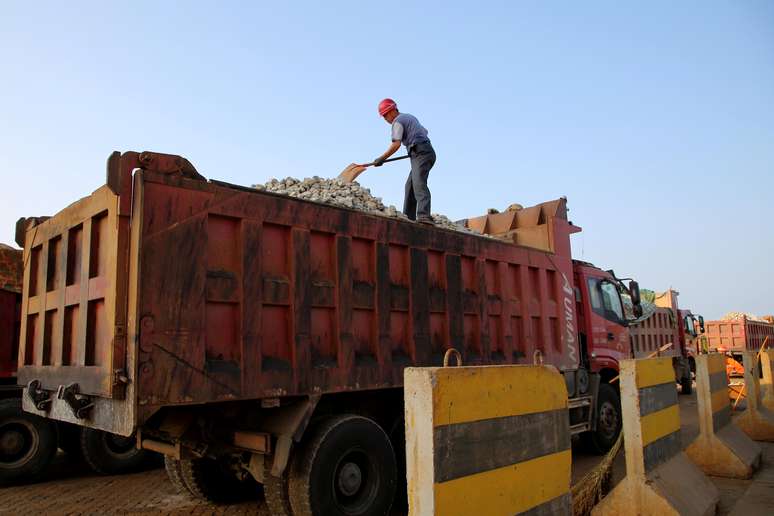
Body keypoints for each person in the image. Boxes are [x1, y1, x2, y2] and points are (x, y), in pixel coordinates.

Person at [373, 98, 436, 224]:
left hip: (421, 153)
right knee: (410, 186)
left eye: (385, 116)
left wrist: (382, 158)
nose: (386, 119)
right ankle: (408, 217)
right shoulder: (408, 117)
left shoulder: (397, 122)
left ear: (392, 111)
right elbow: (424, 131)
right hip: (423, 151)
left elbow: (396, 144)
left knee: (418, 183)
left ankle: (424, 216)